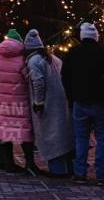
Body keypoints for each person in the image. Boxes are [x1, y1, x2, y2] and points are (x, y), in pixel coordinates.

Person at [62, 22, 104, 184]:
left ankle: (80, 173)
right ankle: (102, 175)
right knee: (103, 139)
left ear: (81, 36)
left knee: (81, 138)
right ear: (96, 36)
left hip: (80, 101)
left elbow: (65, 77)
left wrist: (71, 97)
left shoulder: (73, 53)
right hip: (103, 102)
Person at [24, 30, 73, 177]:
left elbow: (38, 82)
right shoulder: (53, 58)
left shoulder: (34, 61)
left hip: (47, 104)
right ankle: (69, 168)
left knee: (51, 137)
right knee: (63, 135)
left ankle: (57, 170)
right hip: (61, 101)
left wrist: (38, 102)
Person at [0, 30, 34, 173]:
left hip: (3, 102)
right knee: (25, 133)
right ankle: (30, 164)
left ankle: (9, 164)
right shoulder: (23, 59)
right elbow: (28, 79)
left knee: (5, 132)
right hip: (20, 101)